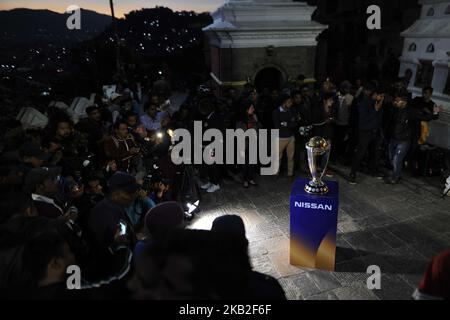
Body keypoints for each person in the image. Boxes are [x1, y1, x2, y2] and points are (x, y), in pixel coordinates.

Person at [87, 172, 138, 278]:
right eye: (129, 192)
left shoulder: (112, 207)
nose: (134, 195)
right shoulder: (109, 215)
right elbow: (115, 253)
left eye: (134, 191)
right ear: (115, 193)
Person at [384, 91, 438, 184]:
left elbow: (425, 117)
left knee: (397, 159)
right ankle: (397, 172)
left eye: (398, 101)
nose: (396, 103)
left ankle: (395, 177)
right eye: (395, 101)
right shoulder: (395, 109)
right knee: (391, 158)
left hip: (404, 140)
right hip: (393, 138)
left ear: (404, 102)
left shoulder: (411, 111)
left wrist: (435, 113)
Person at [349, 84, 385, 184]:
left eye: (383, 96)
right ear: (374, 95)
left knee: (375, 153)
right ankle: (352, 174)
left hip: (375, 132)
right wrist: (375, 109)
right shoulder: (365, 104)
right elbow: (364, 120)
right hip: (365, 132)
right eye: (380, 96)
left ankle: (373, 171)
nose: (382, 98)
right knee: (360, 153)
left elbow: (379, 119)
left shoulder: (379, 105)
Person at [236, 101, 261, 188]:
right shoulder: (240, 119)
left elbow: (259, 128)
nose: (253, 109)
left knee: (252, 163)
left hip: (253, 143)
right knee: (244, 164)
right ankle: (245, 180)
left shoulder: (254, 117)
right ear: (246, 109)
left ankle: (250, 179)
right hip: (244, 144)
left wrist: (257, 122)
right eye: (251, 108)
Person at [272, 94, 297, 179]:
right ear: (283, 103)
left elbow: (294, 124)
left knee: (291, 157)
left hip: (290, 137)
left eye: (291, 102)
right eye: (289, 102)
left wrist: (285, 123)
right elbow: (277, 126)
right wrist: (288, 123)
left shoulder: (292, 110)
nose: (291, 104)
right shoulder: (276, 112)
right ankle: (276, 172)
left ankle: (290, 174)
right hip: (280, 138)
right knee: (277, 157)